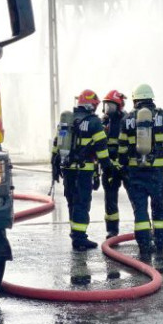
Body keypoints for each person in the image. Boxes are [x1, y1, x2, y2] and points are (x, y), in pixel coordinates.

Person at [117, 83, 163, 256]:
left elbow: (121, 148)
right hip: (157, 173)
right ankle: (160, 243)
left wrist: (123, 167)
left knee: (140, 209)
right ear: (151, 98)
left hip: (135, 173)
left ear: (135, 100)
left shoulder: (127, 119)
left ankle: (144, 244)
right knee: (159, 206)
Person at [52, 89, 114, 251]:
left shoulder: (67, 120)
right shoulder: (94, 122)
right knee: (82, 202)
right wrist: (107, 168)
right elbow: (101, 149)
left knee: (72, 200)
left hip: (67, 168)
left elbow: (57, 144)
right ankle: (79, 238)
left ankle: (75, 233)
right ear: (90, 105)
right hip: (83, 169)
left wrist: (54, 165)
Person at [101, 90, 127, 238]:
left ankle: (142, 228)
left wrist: (120, 164)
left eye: (110, 105)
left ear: (118, 106)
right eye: (106, 105)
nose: (107, 109)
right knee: (110, 199)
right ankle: (112, 230)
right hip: (109, 167)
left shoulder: (126, 120)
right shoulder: (103, 121)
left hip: (125, 166)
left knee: (135, 198)